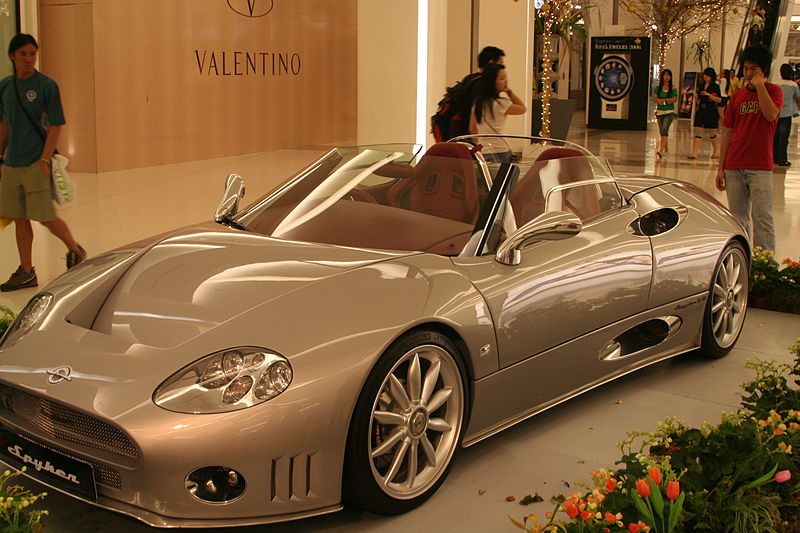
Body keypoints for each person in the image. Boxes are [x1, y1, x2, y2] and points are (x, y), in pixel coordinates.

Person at [0, 33, 85, 291]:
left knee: (45, 217)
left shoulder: (47, 86)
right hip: (12, 163)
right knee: (19, 217)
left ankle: (75, 249)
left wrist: (45, 158)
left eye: (32, 54)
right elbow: (4, 123)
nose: (28, 59)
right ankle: (26, 271)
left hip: (37, 162)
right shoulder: (5, 86)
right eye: (23, 54)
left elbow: (56, 125)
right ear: (12, 56)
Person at [716, 44, 782, 254]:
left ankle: (765, 265)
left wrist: (761, 86)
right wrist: (720, 168)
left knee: (763, 217)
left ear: (763, 69)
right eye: (746, 69)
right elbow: (727, 132)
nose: (749, 73)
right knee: (738, 219)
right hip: (734, 166)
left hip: (760, 166)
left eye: (753, 68)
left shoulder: (774, 91)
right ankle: (744, 261)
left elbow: (771, 115)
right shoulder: (736, 97)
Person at [469, 63, 526, 162]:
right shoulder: (501, 104)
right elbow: (522, 108)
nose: (506, 81)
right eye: (502, 78)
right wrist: (509, 92)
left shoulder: (478, 103)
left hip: (484, 152)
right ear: (492, 82)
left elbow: (472, 129)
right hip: (500, 151)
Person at [689, 67, 722, 159]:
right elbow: (700, 98)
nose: (706, 77)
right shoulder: (701, 85)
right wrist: (696, 97)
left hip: (710, 111)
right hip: (701, 110)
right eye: (705, 75)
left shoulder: (715, 87)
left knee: (711, 132)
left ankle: (716, 151)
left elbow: (719, 99)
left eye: (708, 75)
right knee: (698, 130)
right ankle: (695, 153)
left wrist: (709, 95)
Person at [772, 63, 800, 167]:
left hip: (775, 113)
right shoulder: (793, 85)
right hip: (787, 114)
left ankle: (773, 158)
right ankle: (782, 159)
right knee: (784, 138)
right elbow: (798, 98)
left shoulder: (775, 84)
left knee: (774, 136)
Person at [653, 68, 678, 158]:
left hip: (669, 112)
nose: (667, 77)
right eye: (665, 75)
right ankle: (666, 149)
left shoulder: (673, 88)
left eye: (668, 75)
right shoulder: (657, 88)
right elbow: (655, 99)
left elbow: (674, 99)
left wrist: (664, 101)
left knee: (664, 129)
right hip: (660, 112)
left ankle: (661, 150)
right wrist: (665, 100)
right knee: (662, 131)